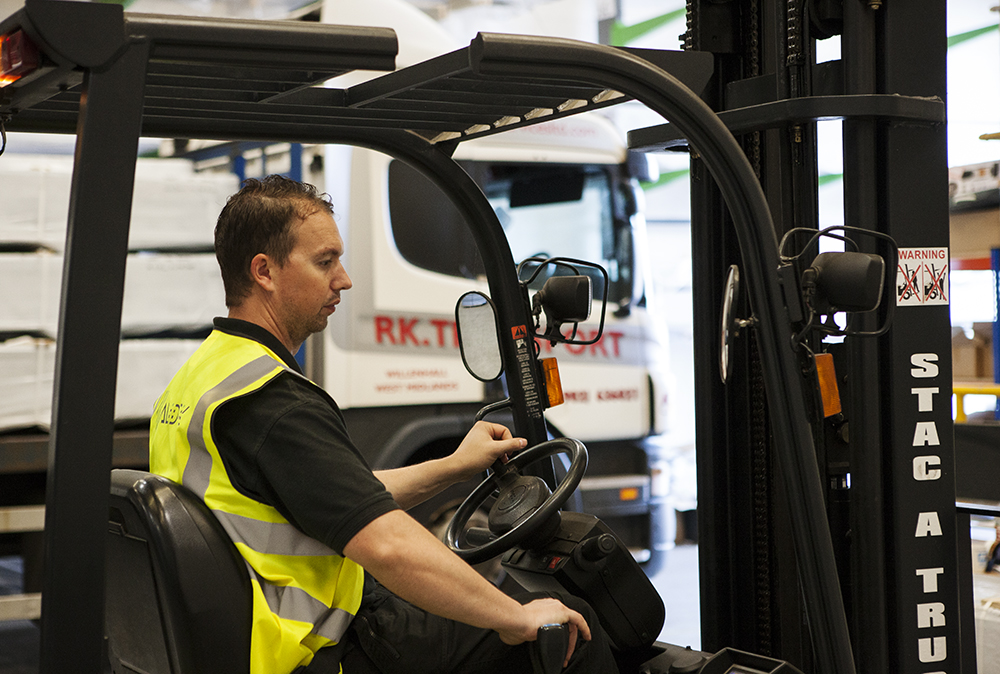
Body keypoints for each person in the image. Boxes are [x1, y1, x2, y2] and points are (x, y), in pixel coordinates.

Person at [148, 175, 618, 674]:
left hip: (260, 637)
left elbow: (343, 498)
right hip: (321, 648)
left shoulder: (203, 379)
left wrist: (454, 467)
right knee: (569, 627)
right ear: (264, 272)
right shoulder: (273, 402)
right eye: (325, 261)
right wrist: (516, 619)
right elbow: (388, 544)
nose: (344, 279)